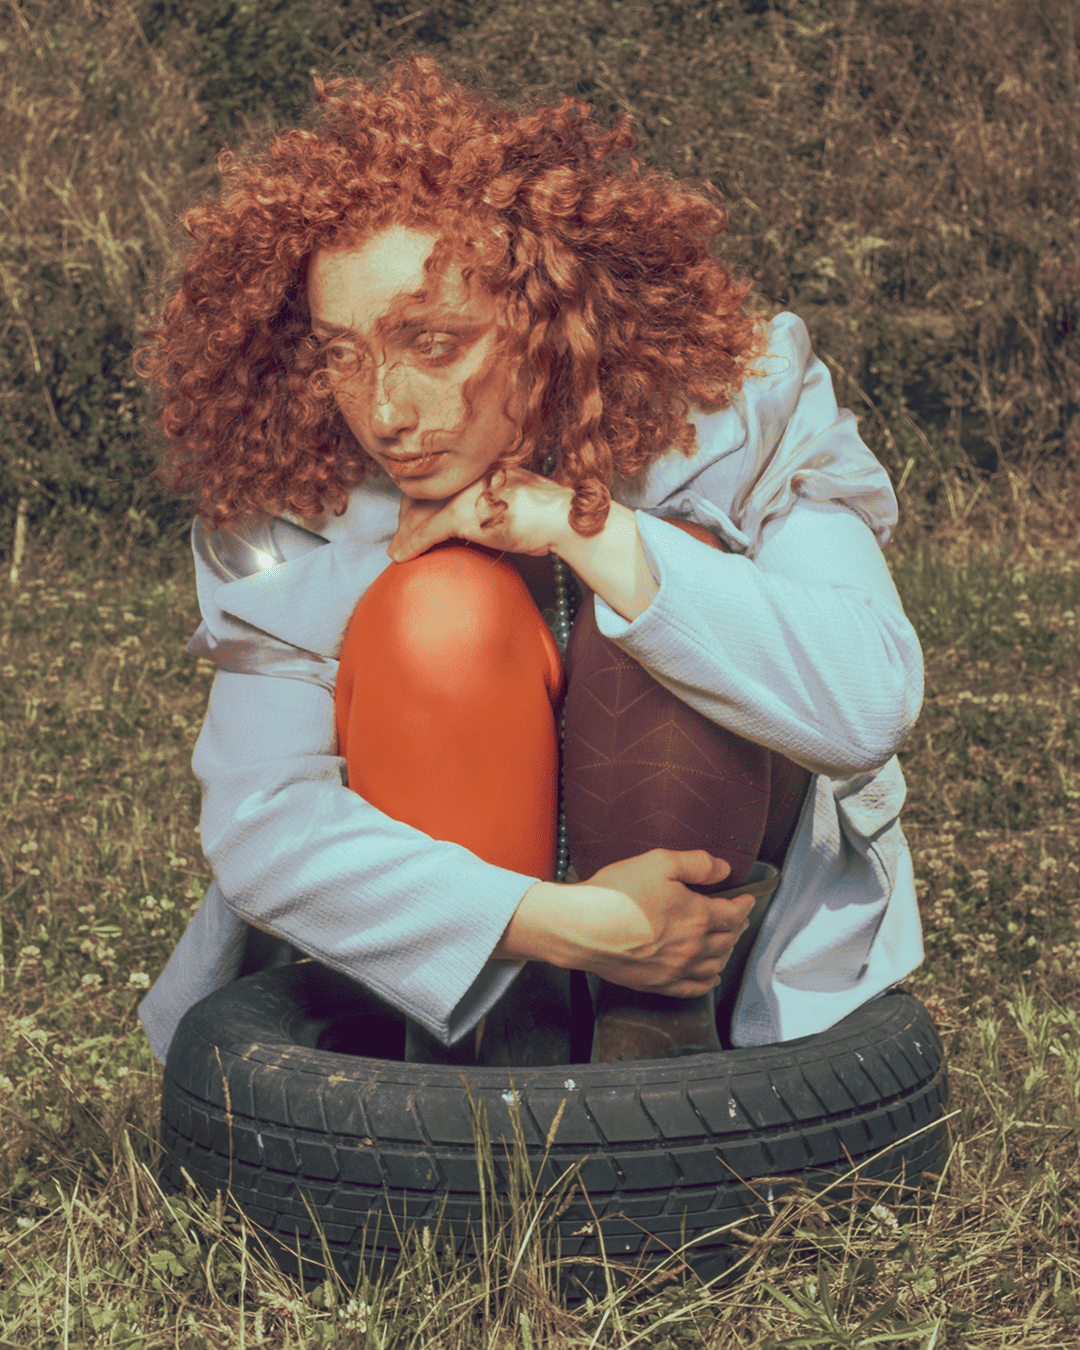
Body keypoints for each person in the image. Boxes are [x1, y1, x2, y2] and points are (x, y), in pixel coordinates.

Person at [135, 57, 924, 1069]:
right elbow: (262, 822)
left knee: (669, 565)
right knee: (437, 610)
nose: (385, 411)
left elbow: (868, 707)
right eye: (342, 353)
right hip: (454, 974)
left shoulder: (741, 410)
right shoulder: (295, 507)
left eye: (434, 342)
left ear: (551, 320)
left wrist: (582, 528)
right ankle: (491, 1061)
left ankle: (656, 1050)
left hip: (710, 952)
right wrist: (570, 924)